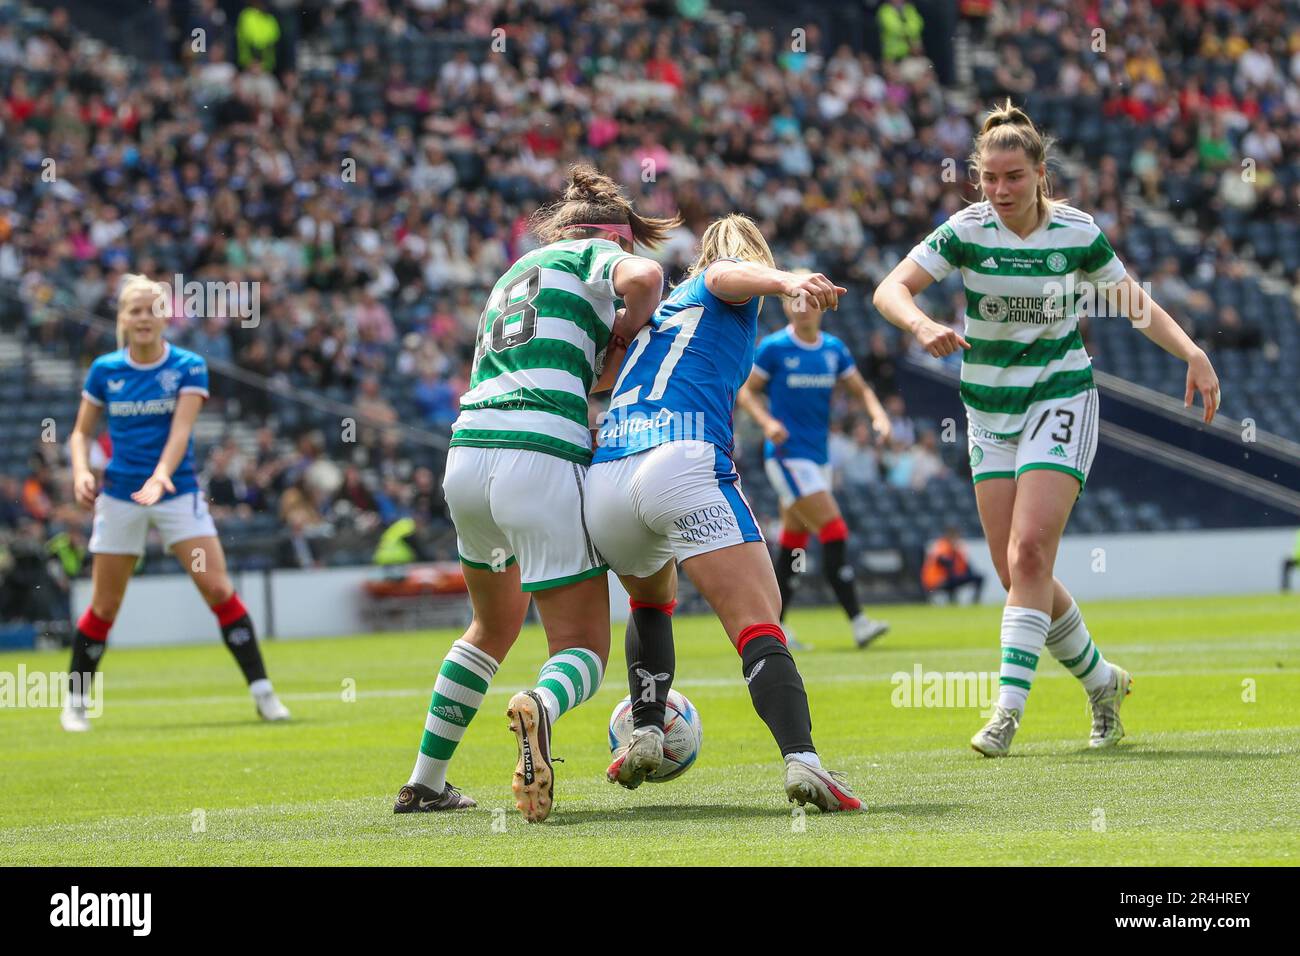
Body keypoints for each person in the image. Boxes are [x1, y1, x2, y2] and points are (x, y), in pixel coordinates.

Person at [873, 101, 1221, 757]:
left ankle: (1006, 713)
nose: (1000, 191)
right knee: (1017, 573)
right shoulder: (967, 230)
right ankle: (1103, 685)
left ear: (1040, 174)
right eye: (990, 180)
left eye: (1013, 178)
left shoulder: (1077, 233)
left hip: (1060, 396)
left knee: (1030, 553)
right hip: (988, 408)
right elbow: (891, 288)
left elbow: (1135, 304)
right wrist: (920, 325)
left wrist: (1192, 353)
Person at [393, 165, 676, 822]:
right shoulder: (596, 252)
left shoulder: (512, 274)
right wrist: (627, 334)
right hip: (538, 454)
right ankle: (539, 708)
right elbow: (647, 282)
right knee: (582, 648)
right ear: (615, 235)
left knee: (491, 626)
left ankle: (425, 782)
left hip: (467, 456)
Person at [586, 214, 864, 811]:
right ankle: (803, 761)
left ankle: (647, 729)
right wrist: (788, 280)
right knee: (760, 621)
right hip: (680, 458)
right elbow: (726, 275)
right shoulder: (715, 283)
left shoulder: (650, 320)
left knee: (652, 602)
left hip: (607, 475)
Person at [63, 274, 291, 732]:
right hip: (120, 496)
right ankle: (75, 702)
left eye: (151, 309)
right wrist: (81, 471)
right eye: (135, 310)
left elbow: (180, 432)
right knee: (105, 606)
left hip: (177, 493)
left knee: (219, 591)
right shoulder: (105, 370)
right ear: (123, 319)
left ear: (165, 316)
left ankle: (264, 694)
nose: (144, 318)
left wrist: (162, 475)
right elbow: (80, 433)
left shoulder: (188, 366)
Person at [737, 275, 892, 650]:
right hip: (788, 458)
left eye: (809, 300)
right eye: (795, 299)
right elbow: (746, 391)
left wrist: (878, 416)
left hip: (818, 458)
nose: (802, 306)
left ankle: (776, 627)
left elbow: (861, 389)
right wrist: (767, 422)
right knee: (835, 529)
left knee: (794, 543)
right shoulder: (775, 347)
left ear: (821, 305)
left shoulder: (833, 349)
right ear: (787, 304)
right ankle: (858, 620)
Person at [921, 526, 984, 604]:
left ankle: (974, 602)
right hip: (937, 580)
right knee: (953, 579)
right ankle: (953, 601)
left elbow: (965, 565)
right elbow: (943, 560)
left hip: (950, 578)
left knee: (978, 578)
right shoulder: (942, 545)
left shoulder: (955, 548)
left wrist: (968, 573)